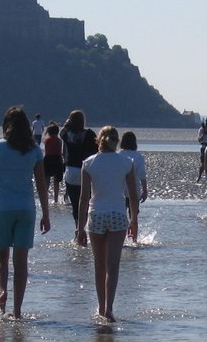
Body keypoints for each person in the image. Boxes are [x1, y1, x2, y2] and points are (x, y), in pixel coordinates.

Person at [0, 107, 50, 319]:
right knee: (21, 261)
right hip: (26, 208)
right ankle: (17, 311)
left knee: (0, 255)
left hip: (1, 207)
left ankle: (1, 294)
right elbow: (41, 185)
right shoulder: (35, 150)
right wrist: (46, 214)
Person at [76, 126, 138, 323]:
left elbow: (84, 198)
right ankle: (109, 308)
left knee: (99, 265)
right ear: (116, 141)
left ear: (99, 141)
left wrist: (79, 227)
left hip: (96, 215)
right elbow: (133, 195)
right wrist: (134, 219)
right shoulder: (127, 162)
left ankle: (101, 307)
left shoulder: (89, 163)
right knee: (113, 265)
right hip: (118, 215)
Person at [62, 110, 98, 224]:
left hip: (70, 171)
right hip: (84, 169)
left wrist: (67, 123)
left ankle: (78, 228)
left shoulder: (66, 134)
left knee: (75, 202)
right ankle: (85, 227)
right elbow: (96, 151)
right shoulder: (89, 134)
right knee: (86, 201)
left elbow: (62, 131)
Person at [119, 130, 149, 239]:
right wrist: (145, 191)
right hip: (134, 191)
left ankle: (122, 238)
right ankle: (134, 240)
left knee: (121, 215)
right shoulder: (138, 157)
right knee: (134, 216)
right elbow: (142, 175)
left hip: (120, 191)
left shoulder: (118, 155)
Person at [42, 122, 65, 203]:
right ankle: (55, 199)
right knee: (56, 181)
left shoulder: (46, 140)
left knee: (46, 180)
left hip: (48, 159)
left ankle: (45, 198)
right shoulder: (59, 140)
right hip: (57, 159)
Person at [195, 115, 207, 182]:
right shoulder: (201, 129)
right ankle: (199, 177)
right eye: (206, 121)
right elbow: (199, 140)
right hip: (204, 147)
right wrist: (204, 133)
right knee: (203, 163)